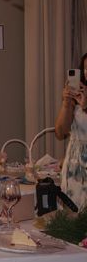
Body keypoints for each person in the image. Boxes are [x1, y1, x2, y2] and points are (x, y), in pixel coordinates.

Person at [55, 52, 87, 210]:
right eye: (86, 68)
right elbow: (60, 132)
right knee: (71, 215)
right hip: (74, 164)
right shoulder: (79, 94)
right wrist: (67, 103)